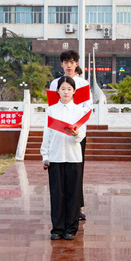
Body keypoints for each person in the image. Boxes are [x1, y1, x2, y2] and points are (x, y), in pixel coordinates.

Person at [41, 76, 86, 240]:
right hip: (56, 156)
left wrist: (76, 133)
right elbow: (47, 133)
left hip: (74, 157)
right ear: (57, 91)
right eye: (63, 89)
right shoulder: (51, 110)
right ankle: (57, 228)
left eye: (69, 89)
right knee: (57, 193)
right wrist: (45, 155)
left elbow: (82, 134)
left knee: (73, 194)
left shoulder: (79, 111)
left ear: (74, 91)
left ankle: (71, 229)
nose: (66, 92)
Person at [49, 50, 92, 221]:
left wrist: (76, 127)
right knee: (59, 173)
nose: (69, 65)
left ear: (76, 64)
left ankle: (77, 206)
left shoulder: (82, 83)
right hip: (58, 133)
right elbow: (52, 106)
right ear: (61, 64)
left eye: (72, 62)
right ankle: (61, 208)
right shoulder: (55, 83)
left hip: (76, 132)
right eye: (66, 62)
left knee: (77, 171)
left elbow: (88, 108)